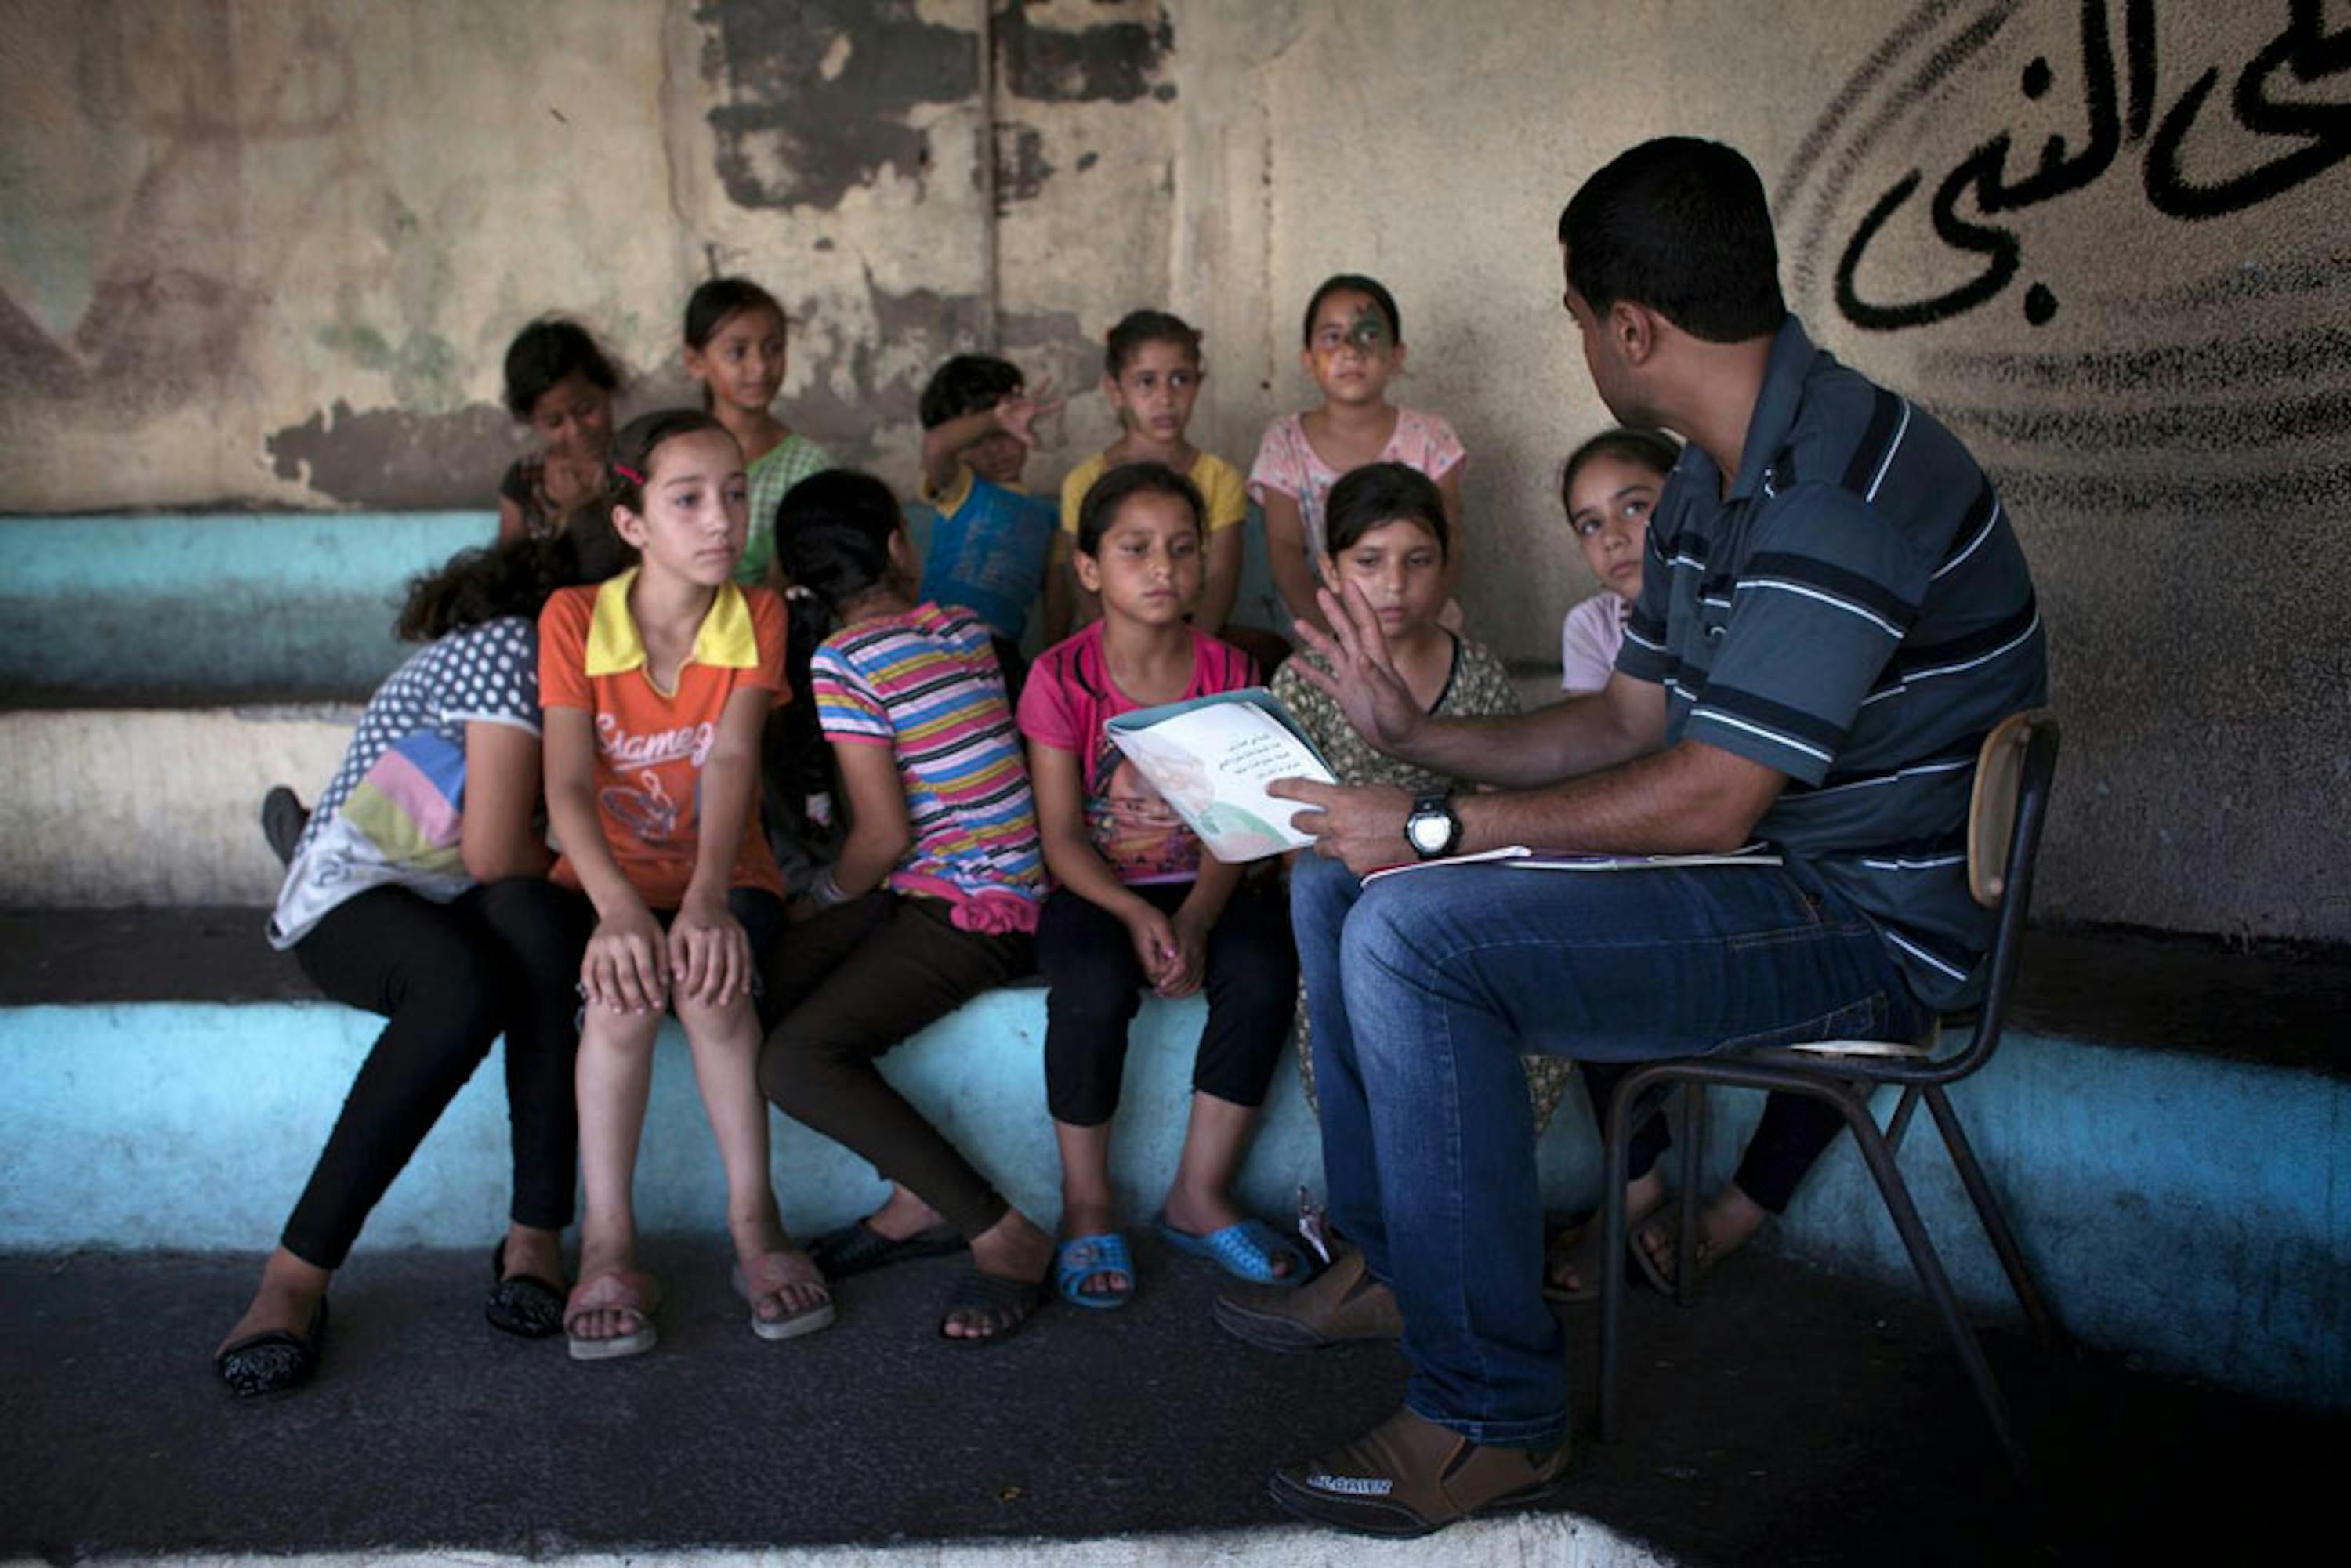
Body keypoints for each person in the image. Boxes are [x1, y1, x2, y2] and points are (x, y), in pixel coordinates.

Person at [1225, 136, 2048, 1537]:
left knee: (1418, 934)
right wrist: (1417, 741)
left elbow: (1713, 794)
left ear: (1631, 327)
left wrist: (1430, 825)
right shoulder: (1718, 483)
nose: (1583, 345)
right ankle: (1396, 1264)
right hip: (1769, 874)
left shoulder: (1833, 484)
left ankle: (1490, 1416)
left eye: (1575, 317)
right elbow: (1620, 722)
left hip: (1863, 923)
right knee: (1336, 887)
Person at [216, 513, 630, 1397]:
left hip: (447, 890)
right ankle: (295, 1276)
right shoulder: (514, 650)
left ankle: (534, 1238)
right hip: (353, 894)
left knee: (543, 934)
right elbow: (490, 850)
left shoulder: (567, 669)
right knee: (463, 984)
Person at [539, 408, 829, 1360]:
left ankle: (756, 1225)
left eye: (736, 494)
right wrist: (619, 909)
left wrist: (707, 897)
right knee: (620, 1002)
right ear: (632, 524)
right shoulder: (576, 619)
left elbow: (733, 757)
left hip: (723, 868)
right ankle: (611, 1243)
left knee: (711, 987)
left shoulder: (759, 615)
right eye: (689, 499)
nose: (722, 521)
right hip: (605, 878)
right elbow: (569, 786)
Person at [754, 469, 1060, 1343]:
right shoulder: (961, 625)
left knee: (792, 1064)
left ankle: (999, 1231)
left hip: (980, 907)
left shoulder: (842, 661)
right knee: (761, 981)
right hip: (941, 884)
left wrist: (821, 898)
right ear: (898, 545)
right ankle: (914, 1193)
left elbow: (880, 838)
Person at [1017, 462, 1302, 1309]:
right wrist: (1136, 911)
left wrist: (1200, 918)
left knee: (1262, 975)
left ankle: (1199, 1194)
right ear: (1090, 567)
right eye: (1136, 549)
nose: (1164, 569)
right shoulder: (1060, 679)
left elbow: (1238, 827)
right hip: (1099, 889)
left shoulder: (1226, 672)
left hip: (1211, 878)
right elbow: (1062, 837)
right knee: (1091, 987)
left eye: (1183, 549)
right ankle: (1087, 1202)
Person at [1266, 462, 1559, 1124]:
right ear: (1331, 569)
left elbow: (1507, 816)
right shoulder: (1305, 680)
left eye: (1417, 560)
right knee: (1317, 888)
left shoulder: (1474, 669)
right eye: (1369, 561)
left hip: (1455, 899)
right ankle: (1364, 1214)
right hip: (1342, 905)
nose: (1394, 584)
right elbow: (1291, 844)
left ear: (1447, 564)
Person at [1249, 275, 1465, 639]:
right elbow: (1285, 553)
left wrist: (1419, 631)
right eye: (1332, 337)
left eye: (1368, 334)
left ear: (1397, 355)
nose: (1350, 351)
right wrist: (1334, 638)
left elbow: (1452, 540)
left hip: (1422, 630)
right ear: (1307, 359)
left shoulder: (1430, 438)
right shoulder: (1284, 440)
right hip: (1324, 633)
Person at [1057, 311, 1252, 642]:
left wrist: (1191, 655)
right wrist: (1116, 653)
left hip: (1193, 638)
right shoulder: (1084, 481)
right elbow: (1081, 582)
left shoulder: (1221, 479)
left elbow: (1220, 582)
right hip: (1108, 641)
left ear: (1197, 384)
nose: (1165, 399)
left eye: (1180, 379)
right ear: (1115, 389)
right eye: (1146, 381)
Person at [913, 353, 1064, 687]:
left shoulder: (1048, 517)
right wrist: (996, 419)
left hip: (1001, 654)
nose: (998, 450)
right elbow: (936, 445)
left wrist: (1053, 667)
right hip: (936, 645)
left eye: (1008, 433)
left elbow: (1057, 599)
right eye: (980, 439)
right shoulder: (960, 487)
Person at [680, 276, 833, 588]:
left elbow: (790, 579)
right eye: (737, 352)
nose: (761, 366)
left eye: (773, 348)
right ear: (696, 362)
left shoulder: (807, 468)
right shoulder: (672, 457)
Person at [1556, 427, 1676, 695]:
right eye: (1591, 526)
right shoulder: (1593, 627)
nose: (1611, 538)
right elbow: (1600, 734)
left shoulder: (1740, 606)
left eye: (1634, 507)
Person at [496, 317, 620, 544]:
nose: (575, 430)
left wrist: (588, 509)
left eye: (587, 409)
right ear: (532, 421)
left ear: (607, 388)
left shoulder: (640, 466)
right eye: (554, 422)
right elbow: (510, 570)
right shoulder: (524, 481)